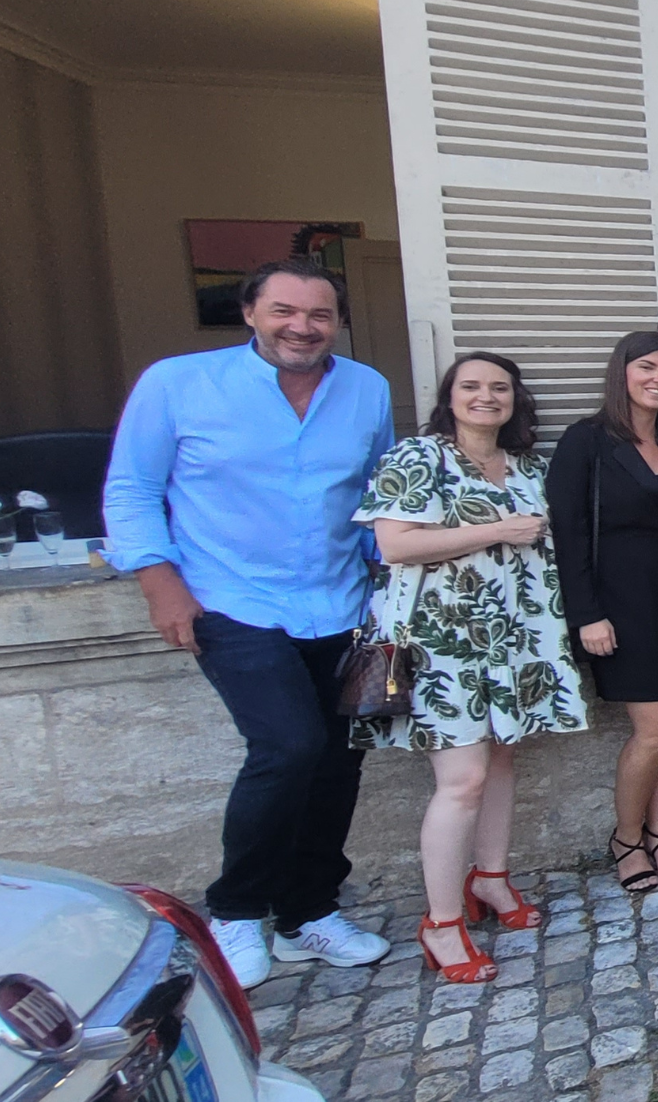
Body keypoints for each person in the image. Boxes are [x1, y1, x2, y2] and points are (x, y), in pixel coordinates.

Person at [103, 257, 395, 987]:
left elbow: (374, 491)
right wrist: (158, 581)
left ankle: (308, 915)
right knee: (288, 746)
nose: (303, 327)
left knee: (338, 759)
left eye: (320, 315)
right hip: (231, 600)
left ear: (338, 321)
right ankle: (234, 912)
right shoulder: (177, 384)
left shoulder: (366, 389)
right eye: (285, 312)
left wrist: (393, 580)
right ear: (251, 313)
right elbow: (132, 488)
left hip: (339, 601)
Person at [355, 354, 588, 982]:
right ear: (449, 396)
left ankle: (490, 881)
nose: (486, 397)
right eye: (472, 386)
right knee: (461, 780)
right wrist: (494, 531)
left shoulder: (529, 468)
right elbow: (395, 543)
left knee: (502, 761)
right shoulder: (419, 458)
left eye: (499, 388)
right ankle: (440, 921)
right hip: (442, 643)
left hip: (514, 639)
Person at [549, 332, 658, 895]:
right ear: (622, 372)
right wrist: (586, 613)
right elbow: (567, 534)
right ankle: (626, 838)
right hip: (618, 605)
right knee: (654, 729)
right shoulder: (585, 441)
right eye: (647, 368)